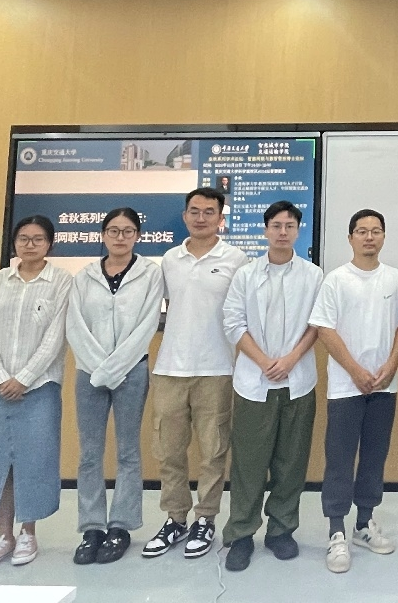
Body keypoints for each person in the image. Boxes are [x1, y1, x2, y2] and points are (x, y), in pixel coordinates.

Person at [309, 209, 398, 574]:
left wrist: (391, 366)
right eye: (362, 231)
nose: (369, 237)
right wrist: (355, 370)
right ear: (350, 238)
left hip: (384, 384)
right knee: (340, 458)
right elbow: (324, 329)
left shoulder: (395, 279)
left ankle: (363, 524)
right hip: (346, 386)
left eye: (375, 231)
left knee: (374, 455)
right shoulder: (336, 280)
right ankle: (336, 531)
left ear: (383, 236)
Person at [144, 188, 250, 560]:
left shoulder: (236, 259)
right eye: (194, 211)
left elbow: (243, 313)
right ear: (185, 215)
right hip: (170, 369)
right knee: (169, 452)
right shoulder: (170, 259)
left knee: (213, 452)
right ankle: (175, 518)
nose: (201, 217)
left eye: (209, 211)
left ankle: (205, 519)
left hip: (216, 369)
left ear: (220, 218)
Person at [0, 215, 72, 573]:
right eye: (23, 238)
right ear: (14, 243)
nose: (30, 244)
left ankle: (28, 533)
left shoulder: (61, 282)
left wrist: (23, 378)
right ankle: (3, 536)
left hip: (38, 388)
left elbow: (55, 338)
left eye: (38, 239)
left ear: (50, 244)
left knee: (33, 461)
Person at [221, 201, 324, 572]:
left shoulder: (313, 275)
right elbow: (233, 323)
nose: (283, 232)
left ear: (298, 230)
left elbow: (318, 323)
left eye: (290, 225)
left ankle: (281, 530)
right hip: (254, 382)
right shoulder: (246, 275)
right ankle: (241, 533)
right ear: (266, 230)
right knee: (248, 463)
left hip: (298, 381)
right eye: (276, 225)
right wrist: (264, 362)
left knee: (291, 462)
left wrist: (292, 358)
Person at [67, 207, 165, 565]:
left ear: (137, 236)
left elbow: (146, 325)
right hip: (89, 373)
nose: (120, 237)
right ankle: (92, 527)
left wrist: (114, 367)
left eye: (127, 231)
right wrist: (100, 368)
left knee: (127, 452)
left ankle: (121, 526)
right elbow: (75, 325)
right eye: (113, 230)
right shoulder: (84, 276)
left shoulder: (150, 275)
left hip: (131, 371)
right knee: (89, 454)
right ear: (103, 235)